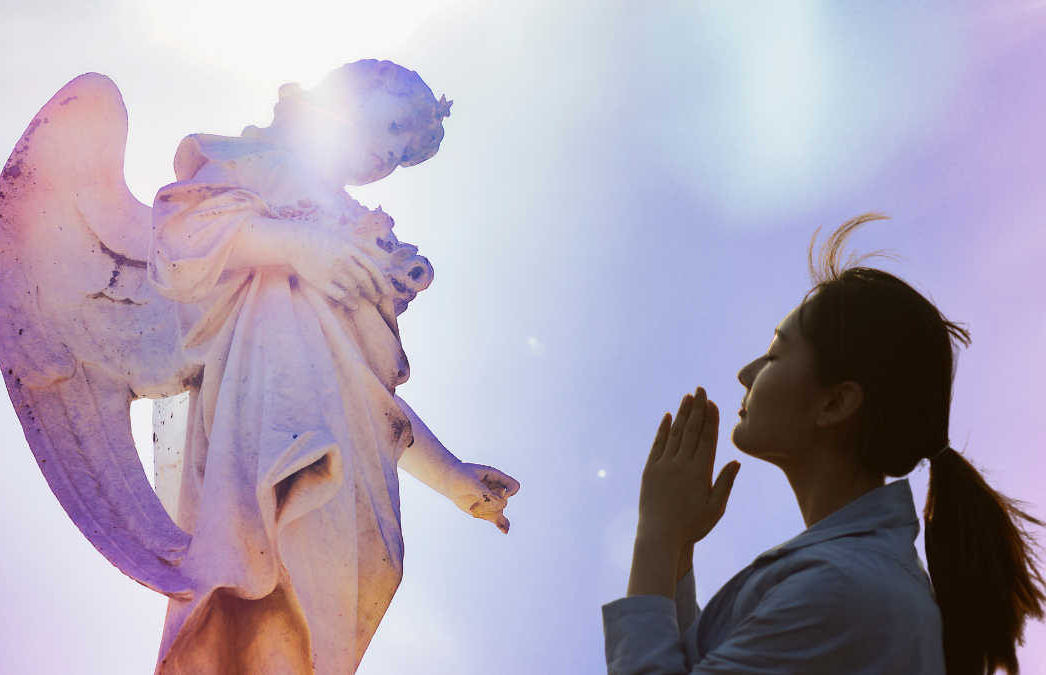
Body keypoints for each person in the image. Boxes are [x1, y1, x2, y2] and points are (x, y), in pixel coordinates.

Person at [147, 60, 518, 674]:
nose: (390, 154)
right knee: (273, 552)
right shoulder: (259, 161)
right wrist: (299, 245)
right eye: (393, 126)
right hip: (262, 394)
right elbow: (180, 234)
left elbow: (367, 396)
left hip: (346, 430)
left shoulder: (359, 226)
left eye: (402, 154)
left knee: (364, 567)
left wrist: (451, 475)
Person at [603, 214, 1045, 675]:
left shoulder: (841, 590)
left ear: (835, 403)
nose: (746, 373)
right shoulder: (848, 579)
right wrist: (676, 548)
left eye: (774, 355)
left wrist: (655, 535)